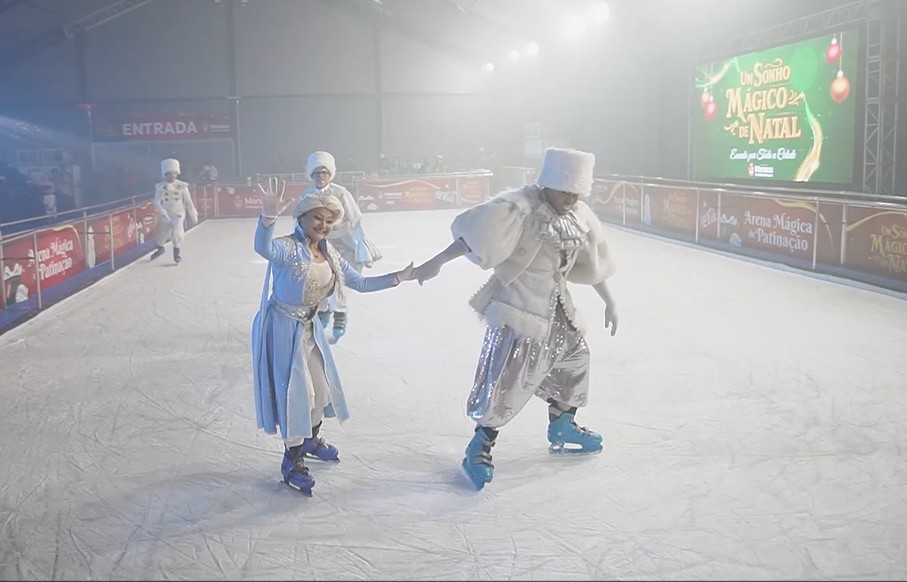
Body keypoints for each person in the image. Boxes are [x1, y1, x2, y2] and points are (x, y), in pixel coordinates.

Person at [413, 147, 619, 490]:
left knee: (576, 360)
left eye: (575, 193)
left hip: (558, 310)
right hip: (519, 310)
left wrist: (609, 301)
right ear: (549, 183)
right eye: (564, 191)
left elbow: (593, 265)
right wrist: (436, 262)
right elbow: (471, 239)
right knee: (507, 379)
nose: (570, 199)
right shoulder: (518, 209)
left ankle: (563, 423)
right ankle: (480, 444)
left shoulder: (579, 217)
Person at [252, 182, 416, 496]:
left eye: (329, 221)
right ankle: (292, 459)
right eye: (317, 218)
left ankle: (311, 439)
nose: (324, 225)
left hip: (309, 329)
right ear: (301, 218)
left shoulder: (332, 256)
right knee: (297, 395)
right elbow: (264, 248)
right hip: (283, 329)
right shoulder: (287, 248)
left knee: (322, 390)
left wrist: (398, 277)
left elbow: (361, 284)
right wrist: (267, 219)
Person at [299, 150, 382, 340]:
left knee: (341, 280)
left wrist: (361, 241)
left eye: (324, 172)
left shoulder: (340, 193)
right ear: (311, 175)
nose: (321, 177)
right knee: (318, 279)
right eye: (317, 173)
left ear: (330, 174)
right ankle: (323, 309)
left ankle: (340, 314)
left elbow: (354, 219)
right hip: (317, 244)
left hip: (342, 243)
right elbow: (300, 220)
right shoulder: (307, 195)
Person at [149, 158, 198, 264]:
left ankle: (177, 251)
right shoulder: (160, 187)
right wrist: (163, 213)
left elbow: (188, 201)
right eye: (169, 174)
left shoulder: (182, 186)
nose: (172, 176)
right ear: (165, 174)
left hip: (178, 212)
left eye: (174, 173)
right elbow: (157, 202)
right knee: (163, 231)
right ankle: (160, 247)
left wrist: (193, 214)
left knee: (177, 230)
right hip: (166, 212)